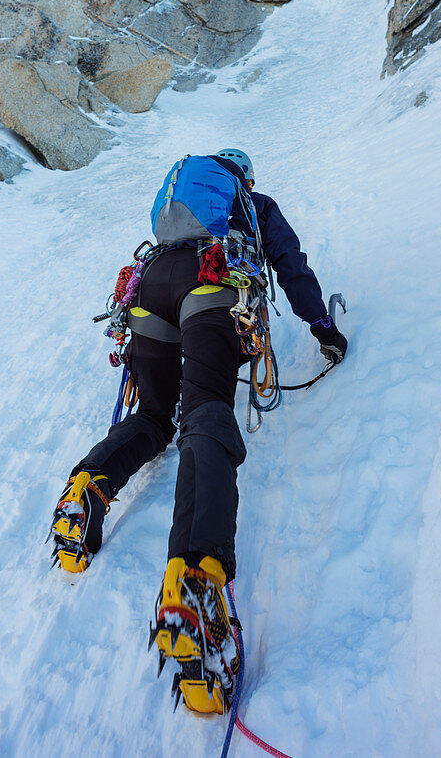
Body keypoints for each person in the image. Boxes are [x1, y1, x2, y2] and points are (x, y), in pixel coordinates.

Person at [50, 149, 347, 714]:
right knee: (207, 409)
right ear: (245, 181)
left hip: (151, 284)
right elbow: (290, 264)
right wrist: (325, 329)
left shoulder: (176, 216)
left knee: (153, 417)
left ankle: (87, 488)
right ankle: (197, 578)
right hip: (209, 280)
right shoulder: (254, 206)